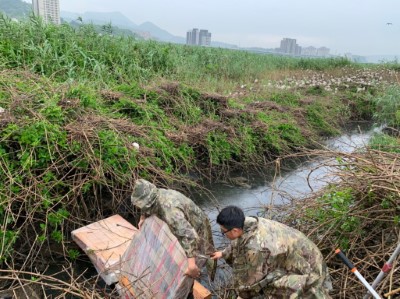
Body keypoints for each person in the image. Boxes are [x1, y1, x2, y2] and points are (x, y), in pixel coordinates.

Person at [211, 205, 332, 299]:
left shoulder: (257, 248)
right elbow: (240, 240)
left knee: (269, 287)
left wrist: (242, 295)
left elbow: (251, 283)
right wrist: (223, 253)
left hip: (308, 268)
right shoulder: (248, 222)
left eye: (223, 231)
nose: (223, 234)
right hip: (300, 254)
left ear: (235, 230)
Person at [130, 179, 215, 280]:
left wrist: (191, 265)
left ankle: (208, 275)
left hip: (197, 224)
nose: (140, 207)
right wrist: (142, 217)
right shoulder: (155, 194)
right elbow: (146, 205)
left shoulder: (170, 211)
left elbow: (189, 236)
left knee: (207, 253)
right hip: (183, 221)